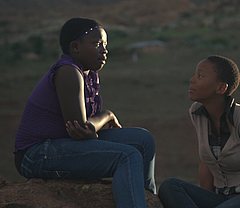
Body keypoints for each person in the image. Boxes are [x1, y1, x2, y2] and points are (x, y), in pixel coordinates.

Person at [13, 17, 156, 208]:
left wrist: (94, 126)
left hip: (61, 143)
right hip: (36, 154)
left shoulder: (88, 73)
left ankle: (145, 200)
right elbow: (81, 129)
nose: (104, 50)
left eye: (105, 44)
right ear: (75, 47)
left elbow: (85, 131)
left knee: (143, 140)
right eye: (97, 44)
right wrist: (107, 115)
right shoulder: (68, 71)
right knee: (127, 156)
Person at [158, 55, 240, 208]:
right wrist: (204, 200)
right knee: (170, 186)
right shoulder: (197, 113)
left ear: (221, 88)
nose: (192, 80)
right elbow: (205, 163)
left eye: (200, 76)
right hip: (222, 199)